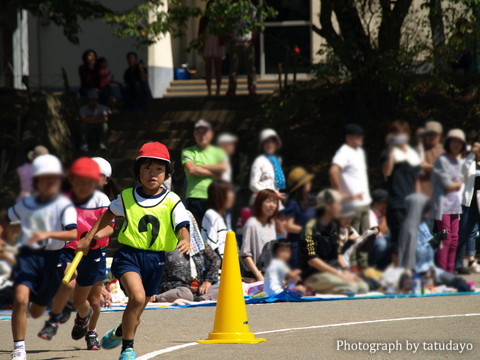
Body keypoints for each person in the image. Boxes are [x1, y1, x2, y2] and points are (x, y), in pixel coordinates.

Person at [76, 142, 190, 360]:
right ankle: (127, 348)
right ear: (138, 171)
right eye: (146, 168)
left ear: (166, 173)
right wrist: (89, 237)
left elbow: (182, 224)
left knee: (138, 309)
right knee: (136, 298)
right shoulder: (128, 197)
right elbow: (107, 214)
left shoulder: (172, 200)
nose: (152, 173)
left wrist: (185, 239)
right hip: (128, 255)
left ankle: (121, 331)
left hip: (156, 259)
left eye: (158, 169)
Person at [1, 154, 78, 360]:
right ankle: (19, 348)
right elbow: (6, 219)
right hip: (28, 257)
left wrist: (48, 234)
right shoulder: (25, 204)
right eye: (43, 178)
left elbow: (72, 234)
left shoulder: (64, 206)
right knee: (19, 299)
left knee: (36, 311)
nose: (48, 182)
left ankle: (55, 307)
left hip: (54, 259)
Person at [37, 158, 113, 350]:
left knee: (91, 300)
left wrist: (92, 238)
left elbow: (109, 228)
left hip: (95, 252)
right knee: (68, 280)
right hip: (69, 249)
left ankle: (89, 329)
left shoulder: (103, 201)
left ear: (104, 181)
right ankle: (58, 317)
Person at [299, 189, 369, 296]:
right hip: (313, 275)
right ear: (327, 206)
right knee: (350, 288)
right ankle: (312, 289)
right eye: (338, 204)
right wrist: (338, 274)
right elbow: (312, 260)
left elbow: (338, 254)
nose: (341, 208)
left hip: (331, 272)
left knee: (363, 287)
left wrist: (345, 271)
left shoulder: (333, 226)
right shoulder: (310, 227)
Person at [155, 212, 221, 302]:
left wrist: (208, 281)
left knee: (225, 288)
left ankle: (202, 299)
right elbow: (153, 267)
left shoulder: (200, 244)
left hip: (199, 288)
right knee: (185, 293)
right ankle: (158, 298)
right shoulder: (165, 245)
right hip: (176, 289)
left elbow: (215, 259)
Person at [381, 121, 422, 256]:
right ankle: (399, 273)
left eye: (403, 134)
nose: (401, 137)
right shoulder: (388, 153)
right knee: (399, 241)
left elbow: (417, 180)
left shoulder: (412, 154)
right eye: (397, 134)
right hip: (397, 203)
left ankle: (408, 272)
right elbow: (386, 172)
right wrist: (391, 149)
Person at [431, 129, 465, 273]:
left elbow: (460, 182)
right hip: (443, 205)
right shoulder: (442, 160)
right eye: (453, 141)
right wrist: (457, 183)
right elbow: (448, 184)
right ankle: (442, 274)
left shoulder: (457, 161)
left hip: (455, 204)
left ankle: (450, 273)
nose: (456, 144)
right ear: (448, 143)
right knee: (445, 239)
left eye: (459, 142)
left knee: (455, 239)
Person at [182, 119, 227, 223]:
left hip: (215, 196)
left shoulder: (218, 152)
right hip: (194, 196)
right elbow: (191, 169)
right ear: (194, 134)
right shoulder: (188, 151)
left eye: (204, 132)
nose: (201, 135)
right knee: (195, 231)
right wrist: (213, 171)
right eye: (198, 132)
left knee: (213, 231)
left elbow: (223, 169)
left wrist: (199, 166)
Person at [330, 124, 372, 233]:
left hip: (364, 202)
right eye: (357, 136)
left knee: (367, 238)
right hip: (352, 204)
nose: (361, 138)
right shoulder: (344, 151)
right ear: (348, 137)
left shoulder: (359, 152)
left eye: (361, 135)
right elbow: (333, 170)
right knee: (353, 242)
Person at [240, 189, 279, 281]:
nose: (272, 205)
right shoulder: (252, 223)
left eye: (274, 202)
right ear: (259, 203)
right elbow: (245, 254)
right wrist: (258, 275)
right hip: (254, 277)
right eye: (268, 201)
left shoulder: (272, 224)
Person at [456, 134, 480, 274]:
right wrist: (472, 154)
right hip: (469, 201)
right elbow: (462, 172)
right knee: (464, 233)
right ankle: (458, 264)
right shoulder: (467, 160)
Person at [285, 167, 315, 268]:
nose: (310, 183)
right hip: (298, 247)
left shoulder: (312, 200)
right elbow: (289, 226)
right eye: (307, 181)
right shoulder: (293, 202)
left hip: (313, 245)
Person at [226, 0, 257, 95]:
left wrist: (252, 38)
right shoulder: (233, 8)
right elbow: (229, 24)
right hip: (236, 41)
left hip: (247, 41)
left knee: (250, 66)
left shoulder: (251, 8)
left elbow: (255, 25)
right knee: (234, 66)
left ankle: (252, 87)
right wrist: (231, 37)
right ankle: (232, 87)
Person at [201, 180, 235, 259]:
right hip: (220, 267)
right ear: (219, 196)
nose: (232, 197)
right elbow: (212, 246)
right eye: (229, 193)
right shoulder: (211, 215)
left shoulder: (224, 216)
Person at [249, 129, 286, 200]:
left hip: (274, 200)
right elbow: (253, 185)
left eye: (273, 142)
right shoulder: (259, 161)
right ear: (262, 145)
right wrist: (272, 194)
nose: (270, 145)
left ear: (277, 144)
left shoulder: (278, 160)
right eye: (267, 142)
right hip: (262, 200)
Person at [199, 1, 225, 96]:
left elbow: (223, 32)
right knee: (208, 69)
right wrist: (200, 46)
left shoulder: (220, 19)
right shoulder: (204, 20)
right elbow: (200, 33)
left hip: (217, 44)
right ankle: (209, 91)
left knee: (218, 68)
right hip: (207, 44)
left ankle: (218, 90)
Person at [419, 120, 444, 197]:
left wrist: (429, 167)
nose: (431, 137)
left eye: (434, 134)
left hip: (441, 194)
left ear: (440, 135)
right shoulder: (419, 150)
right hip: (422, 193)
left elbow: (446, 170)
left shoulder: (445, 151)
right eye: (429, 134)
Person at [368, 189, 390, 269]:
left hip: (378, 240)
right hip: (369, 244)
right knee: (381, 244)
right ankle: (371, 266)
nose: (387, 204)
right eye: (385, 202)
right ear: (376, 203)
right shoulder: (369, 214)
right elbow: (380, 233)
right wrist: (384, 215)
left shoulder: (380, 214)